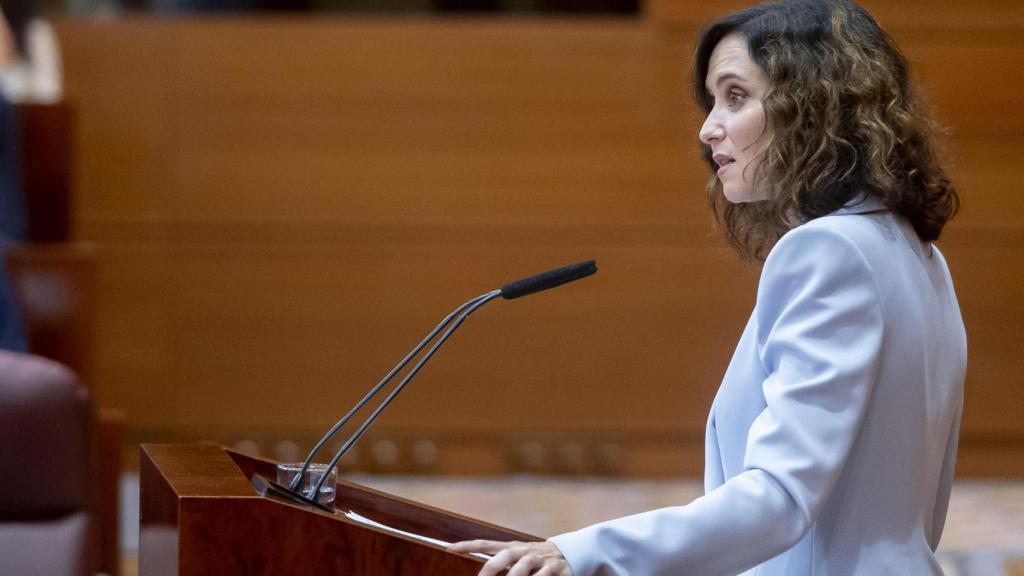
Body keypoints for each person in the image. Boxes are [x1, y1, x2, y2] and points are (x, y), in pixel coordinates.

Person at [449, 0, 966, 574]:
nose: (707, 127)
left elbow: (780, 497)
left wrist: (583, 553)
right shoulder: (916, 252)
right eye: (713, 99)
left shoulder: (828, 252)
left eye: (736, 96)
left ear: (814, 106)